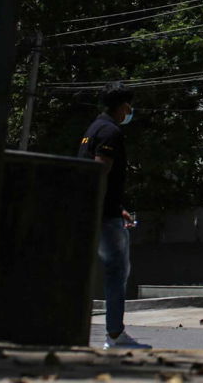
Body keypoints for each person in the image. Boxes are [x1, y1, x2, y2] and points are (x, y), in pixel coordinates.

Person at [78, 81, 150, 350]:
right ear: (123, 106)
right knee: (116, 273)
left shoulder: (93, 129)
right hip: (103, 217)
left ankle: (112, 333)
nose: (129, 111)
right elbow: (99, 173)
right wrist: (107, 208)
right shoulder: (110, 131)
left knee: (99, 272)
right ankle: (116, 335)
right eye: (128, 106)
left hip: (97, 210)